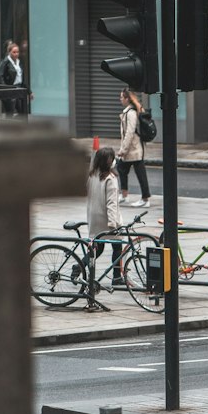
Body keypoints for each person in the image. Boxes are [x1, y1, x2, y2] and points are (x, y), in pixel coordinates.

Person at [87, 147, 125, 283]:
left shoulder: (92, 175)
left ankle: (78, 267)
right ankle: (117, 277)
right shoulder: (110, 179)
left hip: (94, 218)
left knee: (98, 247)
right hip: (106, 218)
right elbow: (111, 204)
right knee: (117, 245)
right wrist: (113, 223)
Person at [117, 88, 151, 204]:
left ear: (127, 99)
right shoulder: (129, 112)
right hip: (132, 150)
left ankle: (145, 200)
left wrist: (123, 149)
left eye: (122, 97)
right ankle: (124, 195)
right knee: (121, 168)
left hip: (134, 150)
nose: (120, 99)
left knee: (140, 175)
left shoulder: (131, 113)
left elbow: (129, 133)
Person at [0, 41, 28, 117]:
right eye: (14, 52)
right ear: (9, 52)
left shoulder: (18, 62)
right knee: (10, 112)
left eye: (17, 52)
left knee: (22, 111)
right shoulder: (5, 62)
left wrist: (29, 91)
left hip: (19, 88)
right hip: (11, 88)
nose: (16, 54)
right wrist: (6, 88)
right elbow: (0, 76)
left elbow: (21, 77)